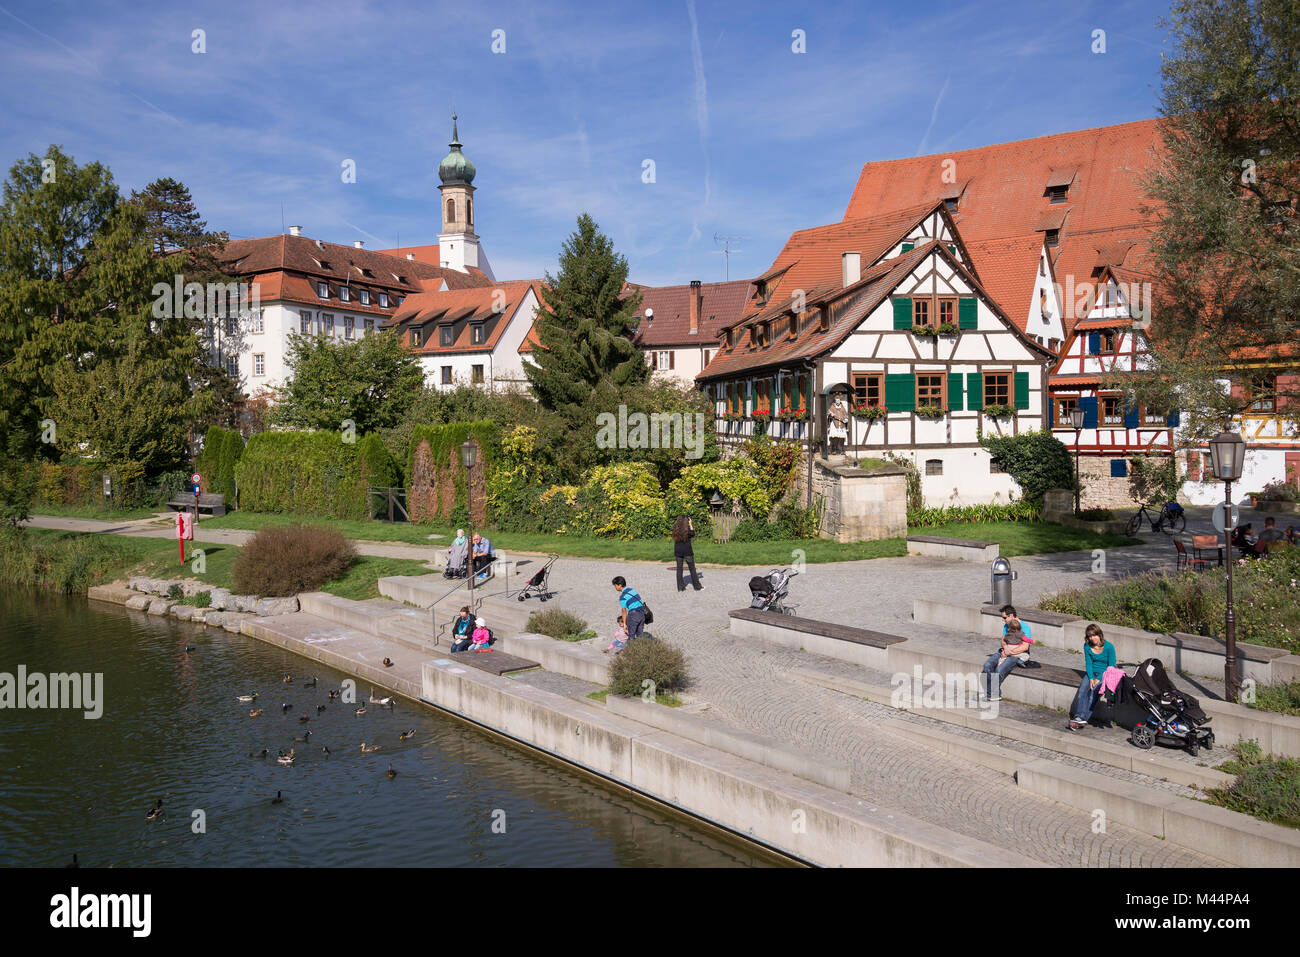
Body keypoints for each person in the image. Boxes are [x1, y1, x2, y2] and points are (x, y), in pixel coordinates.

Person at [1068, 624, 1116, 731]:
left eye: (1094, 635)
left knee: (1093, 693)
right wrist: (1090, 678)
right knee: (1082, 692)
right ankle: (1078, 717)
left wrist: (1098, 678)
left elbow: (1111, 665)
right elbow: (1088, 664)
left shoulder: (1109, 646)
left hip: (1105, 673)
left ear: (1100, 635)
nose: (1092, 638)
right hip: (1091, 673)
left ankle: (1084, 718)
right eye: (1090, 636)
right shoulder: (1087, 646)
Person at [981, 605, 1033, 702]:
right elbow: (1004, 640)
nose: (1003, 620)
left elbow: (1025, 646)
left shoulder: (1024, 627)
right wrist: (1005, 648)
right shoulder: (1007, 625)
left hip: (1016, 655)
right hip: (1005, 651)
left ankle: (993, 694)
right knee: (987, 665)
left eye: (1004, 617)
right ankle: (990, 693)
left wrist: (1010, 652)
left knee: (999, 669)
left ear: (1011, 615)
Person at [672, 515, 703, 592]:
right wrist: (690, 524)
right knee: (692, 569)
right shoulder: (687, 531)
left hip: (678, 551)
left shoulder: (676, 529)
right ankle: (697, 586)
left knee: (679, 569)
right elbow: (693, 533)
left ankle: (680, 587)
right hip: (687, 551)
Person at [612, 576, 647, 641]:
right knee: (640, 635)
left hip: (633, 615)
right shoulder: (632, 590)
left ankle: (631, 650)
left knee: (631, 636)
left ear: (619, 585)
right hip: (642, 614)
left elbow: (624, 610)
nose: (615, 587)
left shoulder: (623, 596)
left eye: (615, 585)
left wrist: (625, 624)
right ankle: (641, 649)